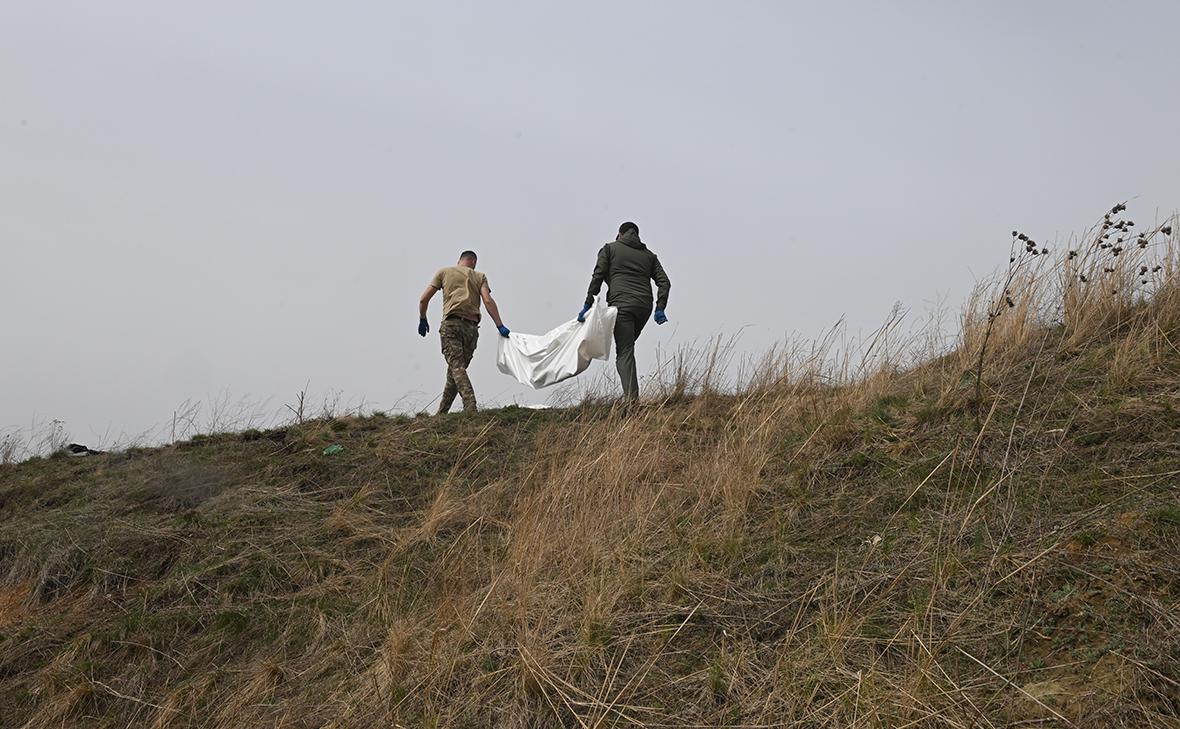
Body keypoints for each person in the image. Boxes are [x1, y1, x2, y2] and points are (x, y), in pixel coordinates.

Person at [578, 222, 671, 401]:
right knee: (628, 346)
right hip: (644, 307)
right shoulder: (650, 256)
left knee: (625, 351)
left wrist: (588, 303)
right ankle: (631, 395)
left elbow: (598, 275)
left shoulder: (609, 249)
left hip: (622, 306)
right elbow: (665, 282)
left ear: (620, 234)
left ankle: (631, 401)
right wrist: (660, 308)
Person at [419, 250, 510, 414]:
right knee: (455, 371)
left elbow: (423, 299)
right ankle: (442, 414)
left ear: (459, 261)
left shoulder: (444, 272)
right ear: (474, 262)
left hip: (451, 325)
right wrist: (500, 326)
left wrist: (423, 318)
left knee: (456, 369)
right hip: (471, 329)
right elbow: (488, 301)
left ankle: (470, 407)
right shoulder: (479, 276)